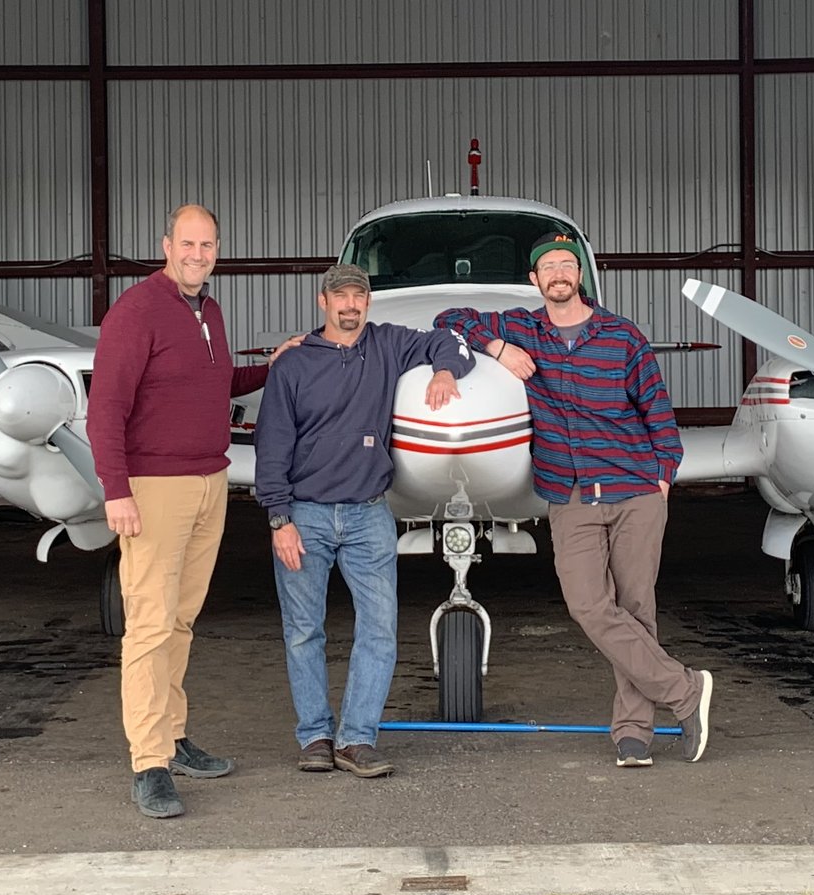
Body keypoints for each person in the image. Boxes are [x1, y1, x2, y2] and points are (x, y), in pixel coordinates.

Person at [436, 235, 714, 767]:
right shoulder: (522, 328)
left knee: (636, 609)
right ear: (535, 281)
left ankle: (632, 730)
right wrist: (497, 348)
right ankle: (684, 691)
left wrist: (663, 474)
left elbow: (656, 406)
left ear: (580, 276)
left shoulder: (621, 335)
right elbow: (450, 317)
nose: (559, 273)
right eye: (548, 267)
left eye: (568, 265)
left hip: (635, 487)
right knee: (588, 604)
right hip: (571, 493)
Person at [88, 203, 274, 820]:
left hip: (209, 482)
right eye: (188, 243)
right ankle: (149, 762)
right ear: (166, 244)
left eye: (208, 244)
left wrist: (275, 365)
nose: (198, 254)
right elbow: (105, 408)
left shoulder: (209, 311)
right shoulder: (136, 312)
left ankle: (172, 735)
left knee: (182, 619)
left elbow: (217, 384)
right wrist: (116, 490)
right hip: (153, 487)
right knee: (149, 622)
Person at [256, 264, 472, 777]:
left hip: (368, 513)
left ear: (368, 303)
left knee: (379, 630)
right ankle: (314, 735)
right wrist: (278, 517)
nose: (350, 305)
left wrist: (444, 371)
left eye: (358, 296)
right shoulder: (294, 365)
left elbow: (451, 341)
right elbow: (271, 446)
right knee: (303, 631)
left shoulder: (388, 344)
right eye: (340, 297)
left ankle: (356, 738)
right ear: (322, 302)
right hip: (303, 515)